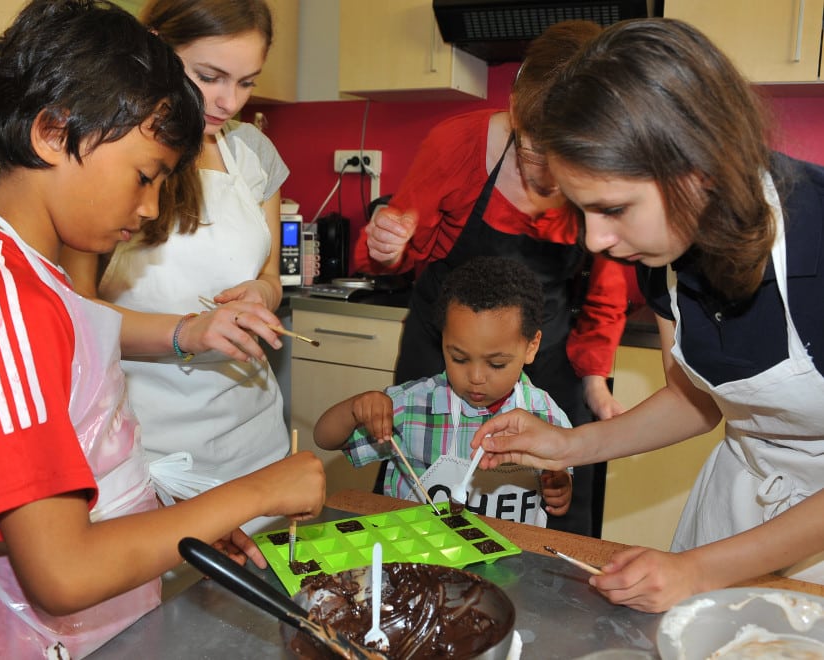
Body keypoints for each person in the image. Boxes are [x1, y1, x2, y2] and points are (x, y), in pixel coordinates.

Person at [0, 2, 324, 657]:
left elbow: (90, 447)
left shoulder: (39, 279)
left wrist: (169, 517)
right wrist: (254, 492)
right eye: (144, 177)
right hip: (40, 638)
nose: (149, 207)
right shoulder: (7, 307)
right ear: (52, 134)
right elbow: (63, 573)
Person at [473, 17, 824, 613]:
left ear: (697, 167)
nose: (595, 240)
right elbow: (697, 400)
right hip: (739, 503)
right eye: (584, 211)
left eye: (612, 209)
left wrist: (696, 570)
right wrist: (567, 446)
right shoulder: (662, 255)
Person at [354, 20, 629, 537]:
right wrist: (386, 246)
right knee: (423, 488)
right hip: (444, 347)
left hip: (545, 356)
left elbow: (607, 286)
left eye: (564, 159)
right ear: (514, 107)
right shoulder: (455, 143)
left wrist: (593, 379)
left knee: (550, 503)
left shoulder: (606, 165)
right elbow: (399, 247)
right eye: (531, 151)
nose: (546, 176)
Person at [60, 0, 292, 532]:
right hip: (154, 451)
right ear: (158, 51)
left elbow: (270, 277)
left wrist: (261, 296)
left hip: (254, 440)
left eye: (247, 82)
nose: (229, 101)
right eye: (209, 77)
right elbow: (74, 318)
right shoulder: (112, 153)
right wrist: (187, 332)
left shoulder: (250, 152)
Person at [315, 256, 573, 527]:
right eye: (459, 358)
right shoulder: (411, 406)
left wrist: (560, 486)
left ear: (531, 346)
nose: (475, 378)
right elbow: (325, 437)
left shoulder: (545, 415)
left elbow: (561, 480)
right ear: (443, 341)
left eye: (496, 364)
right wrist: (355, 409)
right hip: (416, 555)